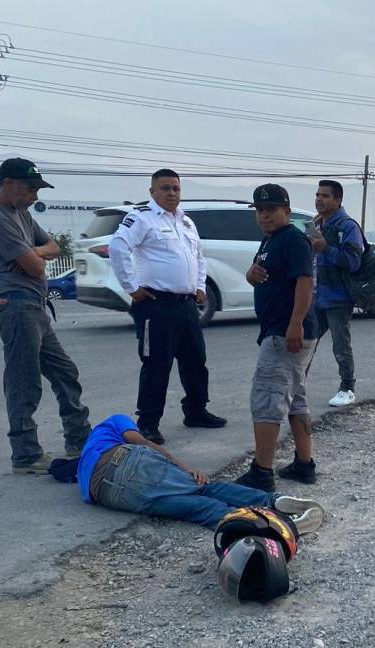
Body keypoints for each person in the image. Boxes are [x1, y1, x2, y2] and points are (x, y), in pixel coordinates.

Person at [0, 158, 92, 474]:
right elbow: (38, 266)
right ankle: (25, 455)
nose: (35, 196)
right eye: (31, 188)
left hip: (34, 306)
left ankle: (79, 439)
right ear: (9, 184)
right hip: (14, 306)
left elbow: (52, 248)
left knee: (65, 372)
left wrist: (33, 251)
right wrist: (35, 256)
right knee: (24, 382)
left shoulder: (21, 214)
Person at [109, 169, 226, 445]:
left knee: (196, 361)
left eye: (175, 188)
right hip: (155, 305)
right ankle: (148, 423)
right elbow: (118, 247)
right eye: (165, 188)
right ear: (152, 192)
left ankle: (196, 411)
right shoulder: (142, 218)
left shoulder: (186, 221)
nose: (171, 193)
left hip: (186, 305)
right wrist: (132, 288)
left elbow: (198, 256)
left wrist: (199, 286)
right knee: (156, 364)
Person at [78, 413, 324, 531]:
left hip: (108, 494)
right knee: (204, 488)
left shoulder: (85, 458)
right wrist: (186, 468)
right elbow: (140, 442)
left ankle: (264, 526)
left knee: (198, 508)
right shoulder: (115, 420)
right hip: (125, 460)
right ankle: (273, 502)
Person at [234, 184, 320, 490]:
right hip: (281, 330)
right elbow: (262, 273)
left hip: (286, 333)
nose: (264, 215)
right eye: (260, 210)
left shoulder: (293, 239)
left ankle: (261, 472)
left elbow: (305, 282)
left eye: (271, 209)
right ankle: (304, 465)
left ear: (286, 210)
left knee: (268, 399)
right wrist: (250, 274)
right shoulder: (271, 240)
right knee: (295, 399)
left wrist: (295, 323)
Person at [308, 180, 363, 408]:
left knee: (340, 344)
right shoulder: (316, 224)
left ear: (338, 200)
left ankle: (347, 388)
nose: (320, 199)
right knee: (306, 342)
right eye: (318, 195)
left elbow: (353, 261)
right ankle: (295, 385)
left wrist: (325, 248)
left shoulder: (347, 226)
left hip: (338, 296)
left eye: (326, 196)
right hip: (316, 295)